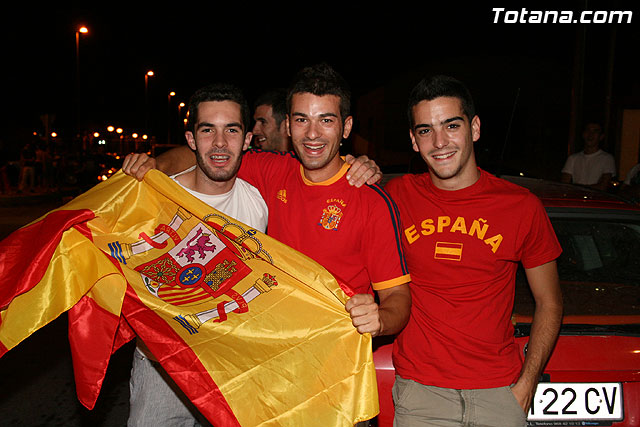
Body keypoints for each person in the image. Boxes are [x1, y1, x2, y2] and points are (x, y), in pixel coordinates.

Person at [124, 64, 411, 346]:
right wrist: (155, 165)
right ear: (288, 125)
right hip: (269, 347)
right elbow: (210, 151)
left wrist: (380, 319)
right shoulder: (273, 170)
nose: (312, 134)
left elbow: (397, 297)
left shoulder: (371, 201)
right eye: (302, 120)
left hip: (331, 353)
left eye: (326, 120)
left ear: (346, 127)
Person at [385, 75, 563, 426]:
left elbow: (550, 302)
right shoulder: (395, 196)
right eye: (425, 130)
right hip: (421, 397)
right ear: (414, 141)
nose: (439, 142)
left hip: (500, 395)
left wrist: (526, 385)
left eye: (452, 125)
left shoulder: (521, 206)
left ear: (475, 128)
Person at [127, 82, 268, 426]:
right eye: (207, 130)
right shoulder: (157, 198)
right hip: (162, 365)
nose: (219, 143)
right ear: (191, 140)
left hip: (228, 365)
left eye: (231, 130)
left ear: (247, 139)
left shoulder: (257, 203)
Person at [561, 122, 616, 190]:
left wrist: (578, 188)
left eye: (595, 131)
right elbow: (564, 184)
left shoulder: (607, 158)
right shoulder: (573, 158)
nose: (590, 134)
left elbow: (604, 186)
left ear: (601, 136)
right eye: (588, 130)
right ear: (583, 134)